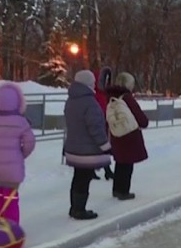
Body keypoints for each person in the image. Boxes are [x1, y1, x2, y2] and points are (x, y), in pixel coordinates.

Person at [0, 83, 36, 224]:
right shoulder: (21, 122)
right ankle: (11, 228)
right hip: (12, 171)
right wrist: (20, 155)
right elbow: (30, 143)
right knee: (10, 199)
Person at [63, 70, 112, 219]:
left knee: (77, 177)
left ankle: (74, 207)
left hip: (73, 146)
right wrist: (105, 146)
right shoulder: (90, 103)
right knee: (83, 180)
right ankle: (80, 210)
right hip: (86, 150)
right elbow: (96, 127)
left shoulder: (71, 100)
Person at [104, 72, 150, 200]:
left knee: (120, 162)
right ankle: (123, 191)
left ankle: (116, 189)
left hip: (116, 133)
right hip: (129, 134)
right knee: (128, 164)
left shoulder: (110, 97)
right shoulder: (127, 98)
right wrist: (144, 122)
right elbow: (140, 117)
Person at [92, 66, 116, 181]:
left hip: (103, 123)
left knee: (101, 148)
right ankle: (106, 170)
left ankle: (105, 170)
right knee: (99, 147)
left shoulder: (102, 94)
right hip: (98, 124)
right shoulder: (97, 94)